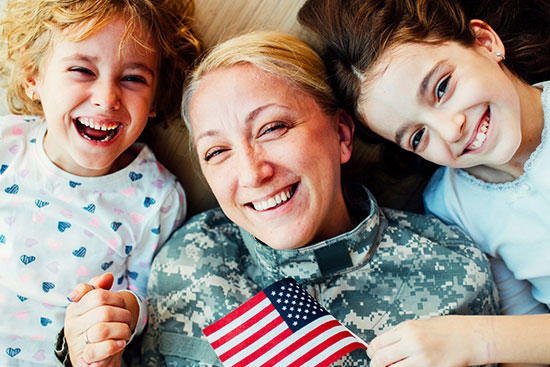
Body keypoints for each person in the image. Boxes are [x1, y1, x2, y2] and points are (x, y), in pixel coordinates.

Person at [141, 30, 498, 366]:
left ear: (342, 135)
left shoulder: (451, 269)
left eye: (273, 128)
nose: (252, 174)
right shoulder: (187, 260)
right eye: (217, 151)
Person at [298, 0, 550, 365]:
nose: (450, 129)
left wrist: (480, 340)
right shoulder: (451, 207)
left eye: (442, 87)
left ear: (485, 41)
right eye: (417, 137)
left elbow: (510, 339)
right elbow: (527, 327)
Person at [0, 0, 200, 365]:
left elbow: (145, 304)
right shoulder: (5, 143)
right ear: (33, 76)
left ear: (155, 98)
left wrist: (124, 312)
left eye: (133, 79)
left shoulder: (157, 198)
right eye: (81, 70)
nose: (107, 98)